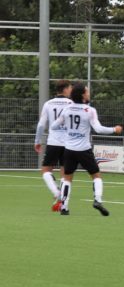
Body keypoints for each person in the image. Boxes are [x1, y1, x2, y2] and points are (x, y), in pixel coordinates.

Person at [52, 83, 123, 216]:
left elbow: (55, 126)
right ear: (83, 95)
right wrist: (115, 129)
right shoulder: (89, 110)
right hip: (84, 149)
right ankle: (97, 200)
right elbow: (99, 129)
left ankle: (64, 207)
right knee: (96, 176)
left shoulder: (67, 110)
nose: (89, 93)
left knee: (67, 179)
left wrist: (68, 130)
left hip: (69, 150)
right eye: (87, 92)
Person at [34, 79, 73, 211]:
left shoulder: (48, 104)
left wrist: (37, 141)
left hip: (53, 142)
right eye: (70, 88)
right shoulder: (71, 103)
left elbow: (41, 125)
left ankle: (57, 193)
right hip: (68, 143)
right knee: (65, 173)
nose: (71, 90)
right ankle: (63, 202)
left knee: (45, 170)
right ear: (65, 89)